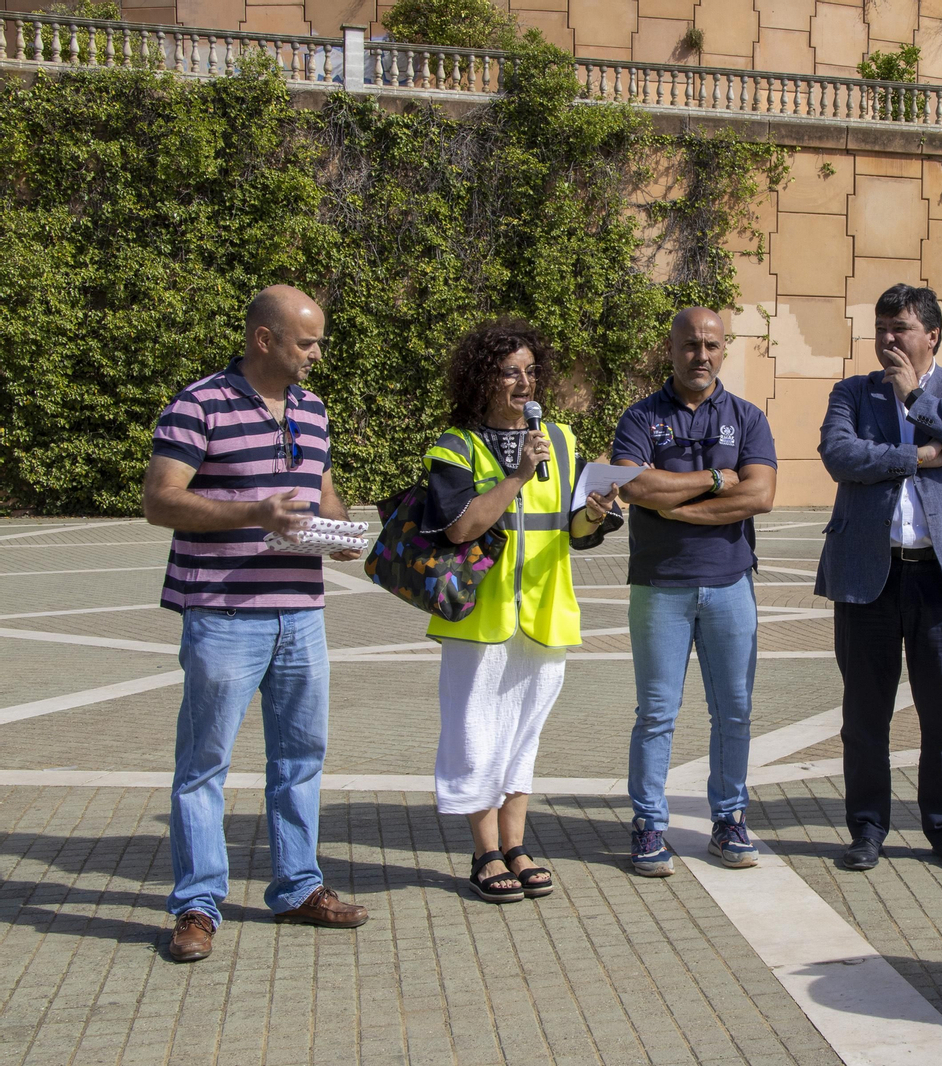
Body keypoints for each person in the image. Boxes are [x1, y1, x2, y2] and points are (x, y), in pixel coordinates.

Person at [143, 285, 370, 963]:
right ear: (264, 339)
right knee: (203, 765)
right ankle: (196, 905)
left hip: (301, 613)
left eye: (320, 340)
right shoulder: (199, 404)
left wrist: (339, 533)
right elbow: (160, 501)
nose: (317, 354)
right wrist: (253, 515)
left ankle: (298, 886)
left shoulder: (311, 407)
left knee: (301, 758)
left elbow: (319, 487)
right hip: (222, 613)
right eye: (307, 341)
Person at [420, 319, 623, 902]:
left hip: (545, 610)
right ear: (485, 378)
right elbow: (462, 527)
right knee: (475, 736)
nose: (524, 383)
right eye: (511, 372)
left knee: (522, 736)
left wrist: (598, 508)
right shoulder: (454, 446)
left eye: (532, 371)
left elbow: (574, 532)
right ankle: (484, 853)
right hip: (479, 617)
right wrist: (516, 476)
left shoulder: (558, 439)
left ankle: (516, 844)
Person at [816, 283, 942, 875]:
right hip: (869, 576)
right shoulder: (852, 392)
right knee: (865, 715)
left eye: (899, 328)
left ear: (931, 334)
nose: (886, 339)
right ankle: (868, 827)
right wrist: (922, 455)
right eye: (880, 327)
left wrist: (915, 399)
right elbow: (839, 456)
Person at [611, 307, 777, 877]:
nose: (700, 355)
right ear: (672, 349)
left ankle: (729, 817)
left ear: (723, 350)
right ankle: (648, 824)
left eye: (710, 344)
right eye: (689, 345)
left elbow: (759, 496)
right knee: (656, 713)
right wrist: (712, 481)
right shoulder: (639, 417)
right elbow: (632, 484)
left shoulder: (748, 418)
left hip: (731, 583)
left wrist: (677, 509)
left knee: (735, 712)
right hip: (660, 587)